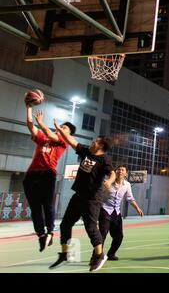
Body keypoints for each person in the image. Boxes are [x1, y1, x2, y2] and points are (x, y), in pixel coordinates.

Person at [49, 120, 116, 272]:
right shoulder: (86, 151)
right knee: (65, 225)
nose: (92, 142)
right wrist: (60, 130)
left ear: (101, 146)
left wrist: (110, 181)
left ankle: (100, 255)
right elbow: (71, 141)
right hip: (78, 196)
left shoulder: (104, 159)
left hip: (92, 198)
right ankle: (65, 253)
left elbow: (112, 172)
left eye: (95, 141)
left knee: (91, 227)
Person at [23, 104, 76, 252]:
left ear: (68, 134)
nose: (61, 128)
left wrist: (42, 123)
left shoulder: (62, 142)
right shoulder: (42, 138)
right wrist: (28, 107)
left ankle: (50, 232)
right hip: (31, 174)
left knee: (47, 204)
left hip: (47, 174)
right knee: (34, 208)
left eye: (65, 128)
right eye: (62, 127)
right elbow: (29, 124)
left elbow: (50, 132)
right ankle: (41, 235)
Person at [99, 165, 144, 261]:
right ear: (115, 172)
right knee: (102, 234)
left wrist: (137, 208)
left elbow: (130, 198)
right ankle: (97, 256)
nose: (120, 171)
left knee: (119, 236)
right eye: (118, 169)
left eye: (122, 170)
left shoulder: (127, 185)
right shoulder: (108, 182)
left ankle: (111, 254)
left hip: (116, 212)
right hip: (105, 210)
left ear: (126, 173)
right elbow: (98, 195)